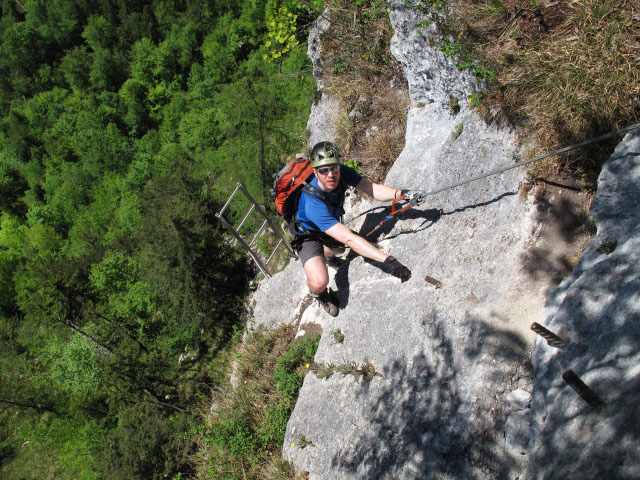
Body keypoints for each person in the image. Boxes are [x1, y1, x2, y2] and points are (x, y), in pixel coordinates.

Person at [292, 141, 423, 316]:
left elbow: (372, 189)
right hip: (309, 235)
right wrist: (390, 262)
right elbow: (349, 238)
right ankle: (320, 295)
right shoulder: (312, 203)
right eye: (324, 171)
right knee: (319, 281)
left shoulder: (343, 173)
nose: (331, 175)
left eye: (334, 168)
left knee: (337, 250)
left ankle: (328, 255)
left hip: (330, 224)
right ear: (315, 172)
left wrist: (402, 194)